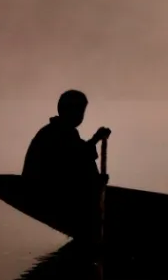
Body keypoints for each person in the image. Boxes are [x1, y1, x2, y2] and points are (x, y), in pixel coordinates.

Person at [22, 89, 111, 238]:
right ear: (66, 111)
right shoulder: (55, 132)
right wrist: (96, 139)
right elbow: (76, 158)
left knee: (86, 161)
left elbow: (79, 152)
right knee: (86, 162)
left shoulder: (65, 131)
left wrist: (96, 139)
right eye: (78, 111)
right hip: (46, 189)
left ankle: (95, 193)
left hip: (54, 184)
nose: (80, 116)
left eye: (82, 112)